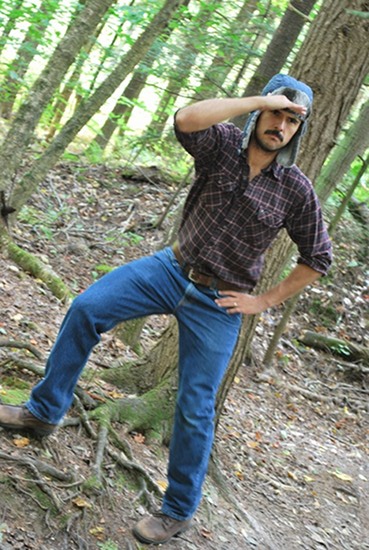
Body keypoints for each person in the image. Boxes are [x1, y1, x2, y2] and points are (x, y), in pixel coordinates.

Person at [0, 74, 332, 545]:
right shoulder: (221, 148)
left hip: (221, 303)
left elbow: (318, 258)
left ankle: (177, 511)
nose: (282, 124)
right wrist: (261, 98)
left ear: (299, 130)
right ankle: (43, 411)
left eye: (293, 119)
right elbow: (185, 118)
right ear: (260, 112)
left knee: (196, 405)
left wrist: (263, 301)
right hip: (171, 269)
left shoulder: (295, 190)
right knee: (86, 308)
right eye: (277, 112)